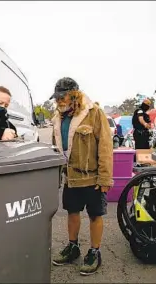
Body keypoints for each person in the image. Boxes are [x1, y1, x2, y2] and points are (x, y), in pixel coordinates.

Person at [50, 77, 113, 276]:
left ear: (75, 94)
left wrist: (104, 178)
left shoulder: (94, 113)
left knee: (95, 214)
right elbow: (56, 149)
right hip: (71, 177)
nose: (59, 100)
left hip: (92, 178)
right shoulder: (57, 117)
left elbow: (105, 147)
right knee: (72, 212)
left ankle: (94, 252)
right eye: (57, 97)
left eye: (63, 96)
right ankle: (73, 247)